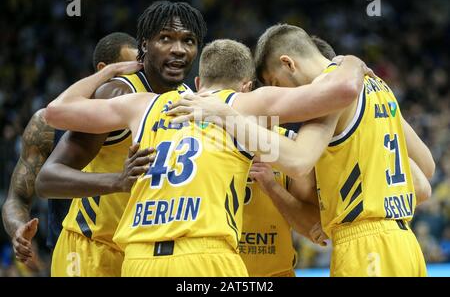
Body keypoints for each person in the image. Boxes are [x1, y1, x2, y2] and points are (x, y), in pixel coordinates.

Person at [42, 37, 368, 276]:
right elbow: (342, 92)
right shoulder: (246, 104)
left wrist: (109, 71)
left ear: (197, 82)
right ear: (247, 86)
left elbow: (55, 112)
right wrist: (349, 61)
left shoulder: (143, 104)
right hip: (204, 257)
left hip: (139, 260)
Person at [170, 25, 435, 277]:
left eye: (277, 83)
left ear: (289, 64)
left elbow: (297, 161)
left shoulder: (331, 95)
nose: (285, 99)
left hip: (366, 250)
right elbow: (425, 177)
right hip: (403, 243)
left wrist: (228, 116)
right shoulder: (379, 87)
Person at [35, 1, 207, 277]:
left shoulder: (188, 97)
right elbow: (47, 179)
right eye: (166, 38)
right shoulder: (117, 93)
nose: (178, 49)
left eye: (188, 40)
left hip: (140, 255)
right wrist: (117, 181)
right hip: (90, 250)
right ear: (145, 46)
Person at [1, 32, 140, 274]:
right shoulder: (47, 123)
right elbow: (17, 197)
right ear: (104, 70)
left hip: (133, 252)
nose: (137, 81)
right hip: (75, 255)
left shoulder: (142, 116)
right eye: (129, 71)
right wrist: (18, 230)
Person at [238, 37, 338, 277]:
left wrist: (272, 187)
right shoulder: (211, 141)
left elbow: (315, 229)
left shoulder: (291, 146)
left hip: (276, 272)